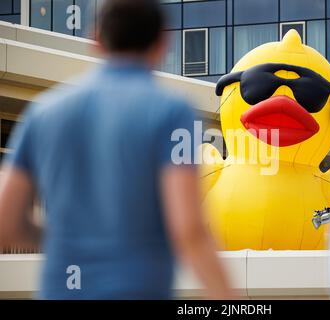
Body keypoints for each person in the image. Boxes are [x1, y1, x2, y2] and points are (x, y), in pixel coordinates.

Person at [0, 0, 231, 299]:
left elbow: (6, 220)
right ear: (163, 42)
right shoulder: (172, 111)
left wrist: (62, 239)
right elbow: (187, 228)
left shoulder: (43, 112)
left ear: (96, 38)